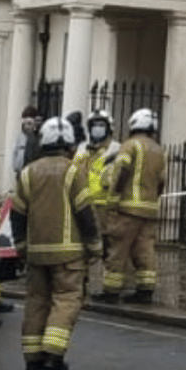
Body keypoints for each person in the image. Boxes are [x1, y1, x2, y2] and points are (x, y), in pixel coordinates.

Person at [10, 115, 93, 370]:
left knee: (36, 301)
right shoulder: (73, 171)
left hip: (36, 252)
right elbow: (84, 212)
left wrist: (21, 244)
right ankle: (52, 356)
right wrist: (95, 245)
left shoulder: (27, 173)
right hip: (68, 253)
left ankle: (32, 357)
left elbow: (17, 213)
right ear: (69, 144)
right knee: (66, 300)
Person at [105, 107, 169, 304]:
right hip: (149, 209)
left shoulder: (130, 145)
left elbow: (122, 169)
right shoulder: (158, 150)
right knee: (145, 250)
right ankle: (145, 290)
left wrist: (114, 196)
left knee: (118, 249)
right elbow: (161, 181)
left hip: (128, 207)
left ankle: (111, 291)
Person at [76, 112, 119, 297]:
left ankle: (110, 289)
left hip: (106, 206)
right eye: (94, 124)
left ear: (108, 128)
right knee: (83, 246)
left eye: (101, 124)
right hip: (85, 204)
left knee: (109, 248)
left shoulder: (116, 149)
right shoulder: (82, 149)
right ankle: (80, 285)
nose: (97, 128)